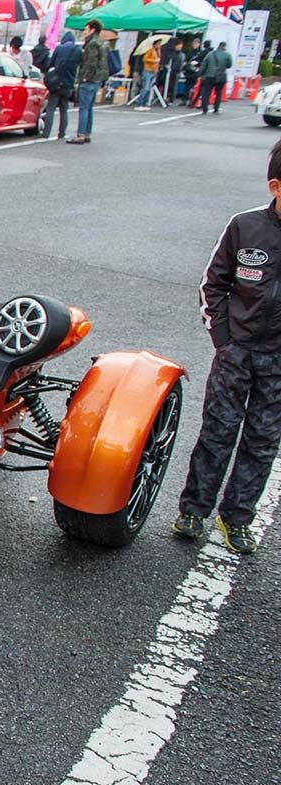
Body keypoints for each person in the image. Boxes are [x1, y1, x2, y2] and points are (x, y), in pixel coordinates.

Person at [172, 140, 281, 555]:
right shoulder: (245, 226)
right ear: (275, 186)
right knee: (217, 432)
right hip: (236, 352)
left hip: (278, 361)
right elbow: (213, 284)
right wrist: (223, 338)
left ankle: (236, 518)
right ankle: (194, 510)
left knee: (262, 441)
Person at [67, 19, 108, 144]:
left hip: (90, 79)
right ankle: (86, 133)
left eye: (86, 29)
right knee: (89, 107)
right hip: (97, 79)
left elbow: (91, 63)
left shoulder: (92, 44)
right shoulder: (99, 42)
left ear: (92, 29)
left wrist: (84, 77)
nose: (84, 31)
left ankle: (80, 134)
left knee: (84, 107)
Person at [43, 31, 81, 140]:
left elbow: (51, 64)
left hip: (56, 83)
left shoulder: (59, 48)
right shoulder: (78, 50)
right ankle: (62, 133)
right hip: (68, 84)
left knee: (51, 108)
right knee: (64, 109)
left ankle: (46, 133)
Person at [198, 41, 233, 113]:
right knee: (218, 93)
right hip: (221, 76)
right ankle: (216, 108)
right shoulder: (227, 55)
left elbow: (204, 64)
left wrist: (200, 74)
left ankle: (204, 108)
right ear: (224, 47)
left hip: (209, 75)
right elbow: (229, 65)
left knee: (206, 92)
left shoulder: (210, 54)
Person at [134, 38, 162, 110]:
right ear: (155, 44)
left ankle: (145, 103)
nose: (159, 45)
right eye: (158, 43)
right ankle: (140, 103)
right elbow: (145, 59)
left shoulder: (158, 51)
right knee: (145, 88)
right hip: (148, 70)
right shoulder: (150, 50)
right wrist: (154, 60)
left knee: (149, 88)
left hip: (154, 71)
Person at [184, 36, 205, 103]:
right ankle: (185, 99)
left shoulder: (201, 52)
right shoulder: (190, 52)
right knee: (187, 86)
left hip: (196, 71)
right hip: (189, 71)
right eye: (193, 43)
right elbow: (187, 60)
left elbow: (202, 61)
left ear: (199, 44)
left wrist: (197, 64)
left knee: (194, 86)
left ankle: (192, 99)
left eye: (196, 43)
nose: (194, 45)